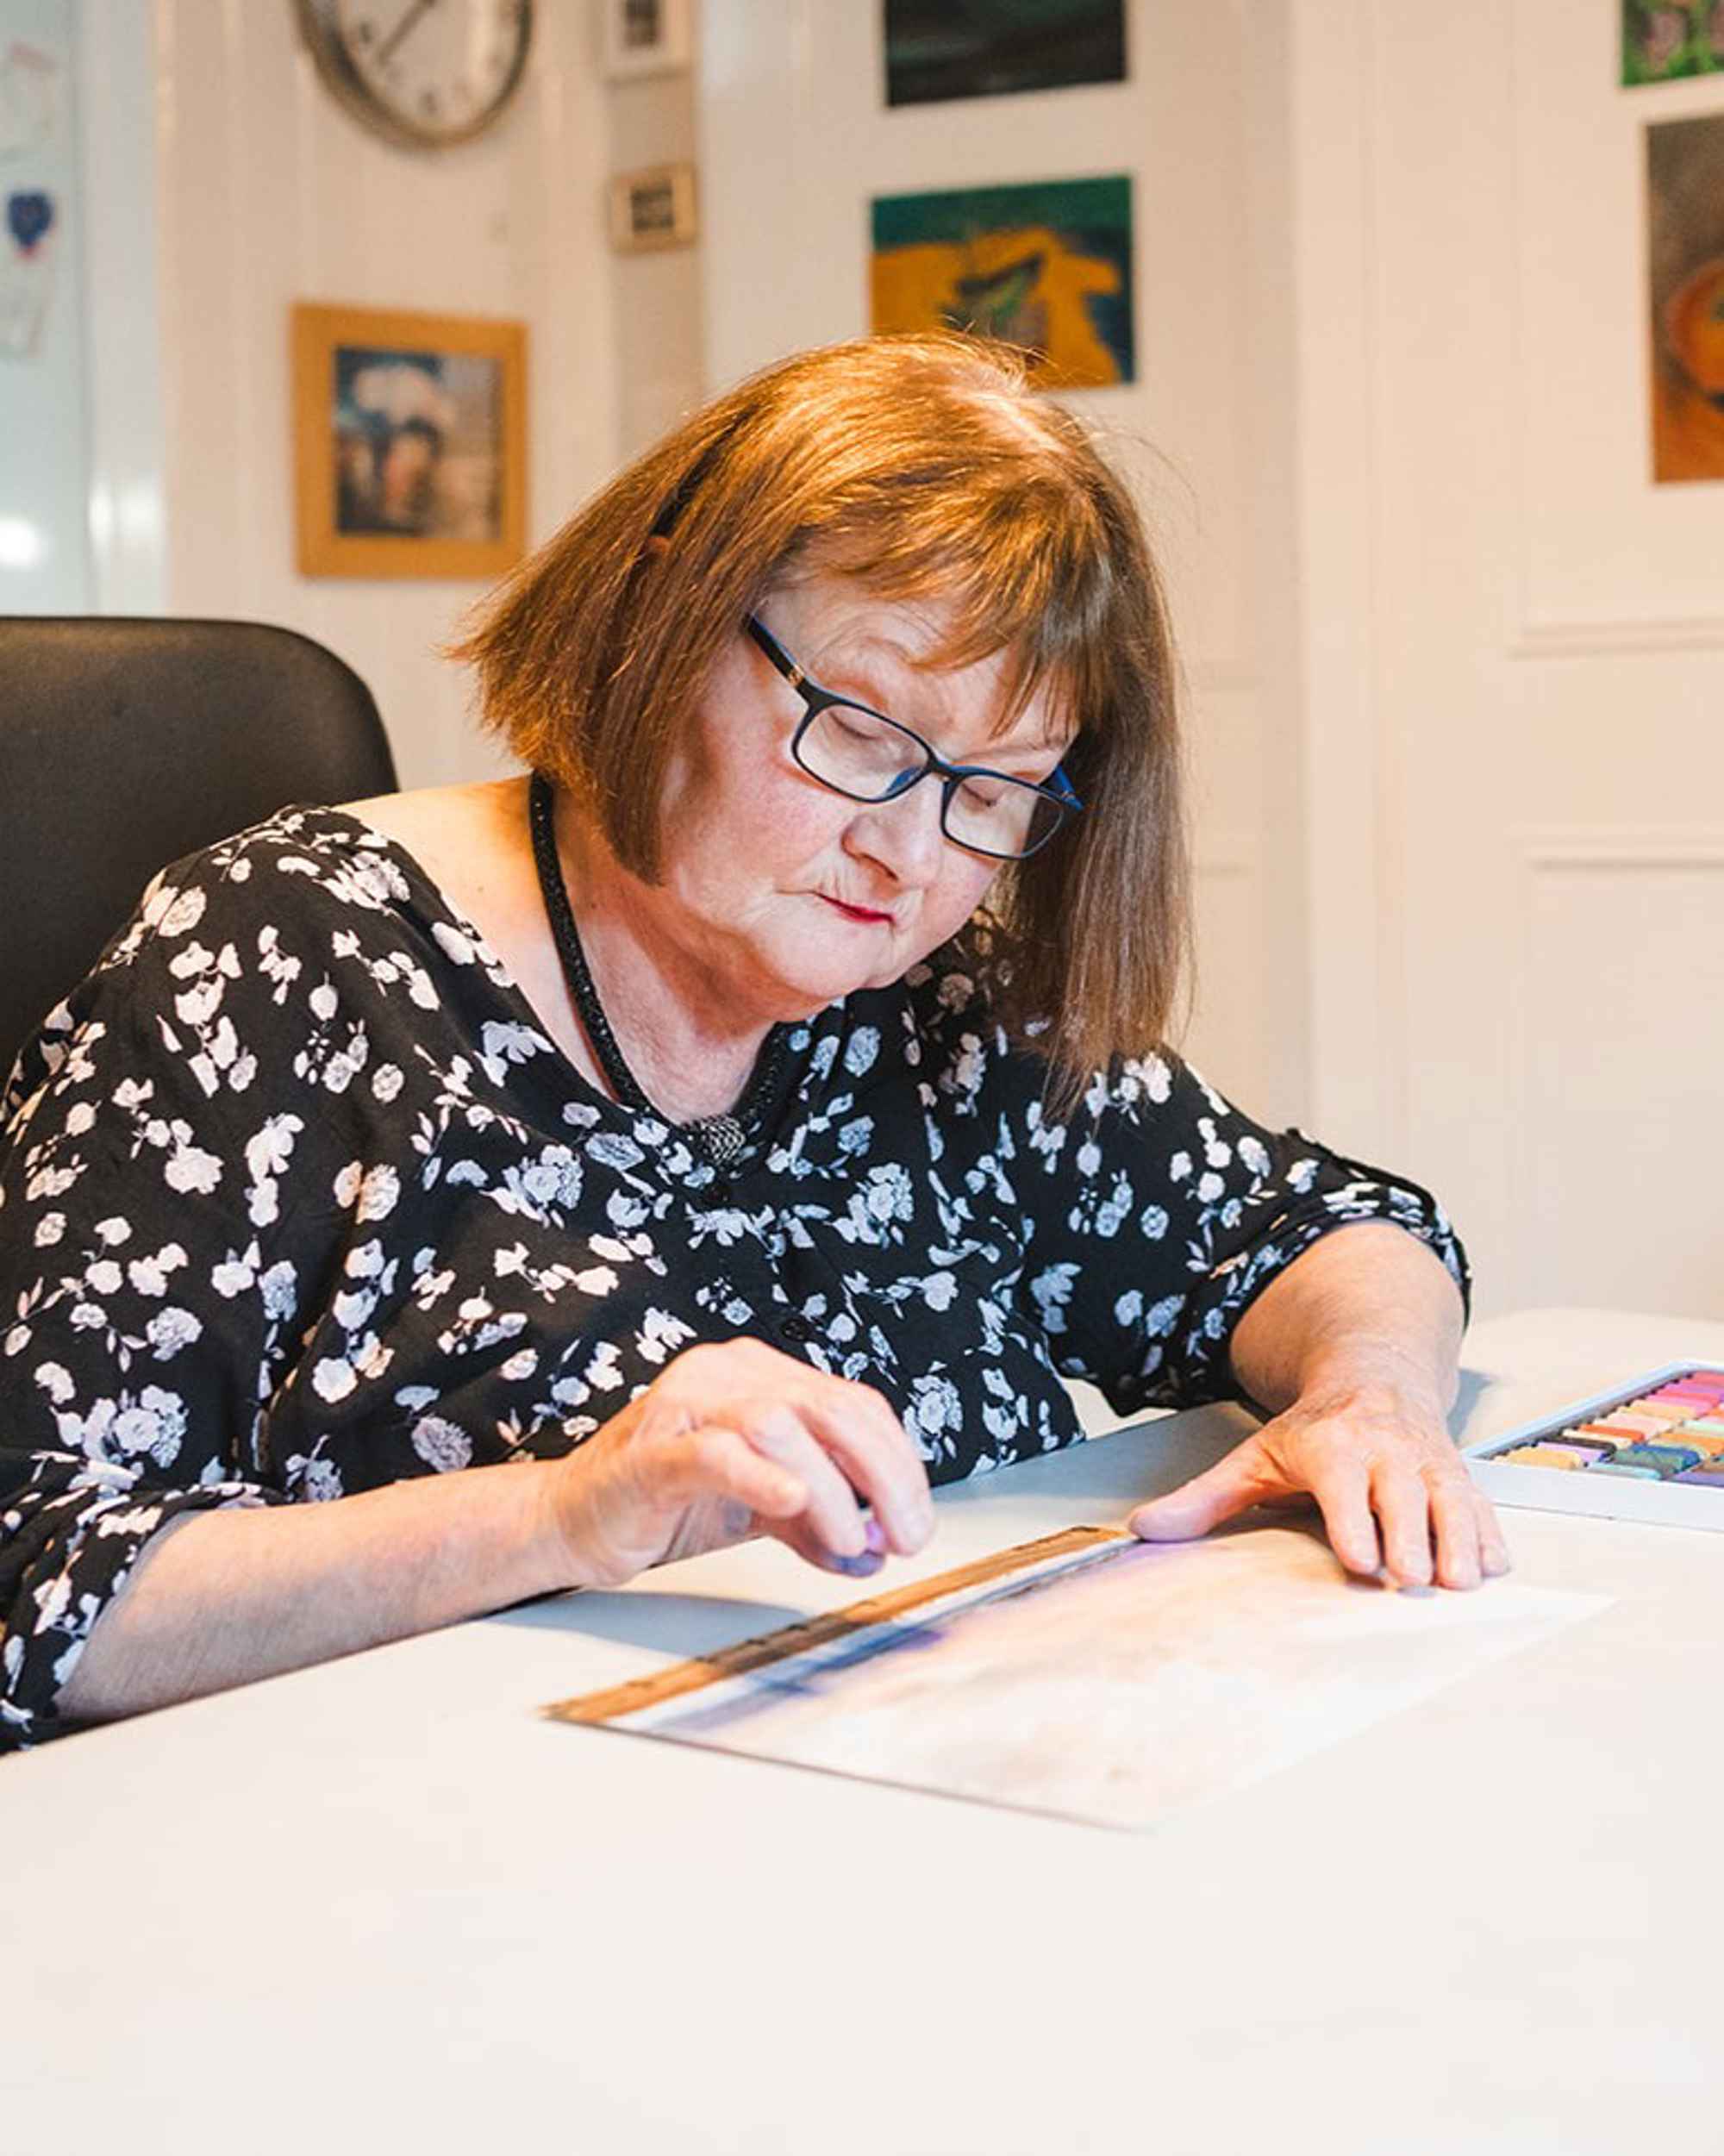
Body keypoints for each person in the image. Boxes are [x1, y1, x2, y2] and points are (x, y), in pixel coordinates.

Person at [0, 334, 1505, 1753]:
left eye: (994, 792)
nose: (912, 850)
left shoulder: (938, 1011)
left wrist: (1370, 1387)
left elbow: (1322, 1225)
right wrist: (569, 1514)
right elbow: (36, 1581)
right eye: (861, 732)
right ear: (666, 620)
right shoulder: (284, 957)